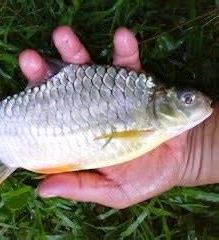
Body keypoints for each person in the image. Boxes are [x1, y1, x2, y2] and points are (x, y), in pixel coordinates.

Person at [18, 26, 219, 209]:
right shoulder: (151, 116)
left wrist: (193, 157)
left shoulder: (156, 125)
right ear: (160, 99)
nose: (200, 102)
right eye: (188, 99)